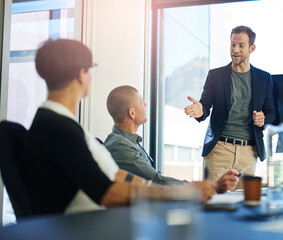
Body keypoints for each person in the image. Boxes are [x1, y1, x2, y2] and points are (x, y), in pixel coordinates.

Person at [23, 39, 216, 216]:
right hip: (79, 227)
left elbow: (116, 174)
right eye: (92, 69)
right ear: (82, 74)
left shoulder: (60, 123)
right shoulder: (58, 129)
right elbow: (106, 191)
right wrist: (180, 193)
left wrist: (178, 190)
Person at [184, 26, 275, 188]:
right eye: (233, 44)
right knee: (212, 199)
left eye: (241, 45)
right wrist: (200, 111)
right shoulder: (215, 76)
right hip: (219, 149)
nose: (235, 49)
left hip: (248, 152)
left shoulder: (264, 78)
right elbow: (205, 106)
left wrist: (263, 119)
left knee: (242, 204)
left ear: (251, 48)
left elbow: (271, 113)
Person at [104, 85, 239, 193]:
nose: (145, 105)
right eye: (141, 102)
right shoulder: (120, 145)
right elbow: (155, 180)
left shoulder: (126, 141)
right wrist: (207, 187)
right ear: (132, 113)